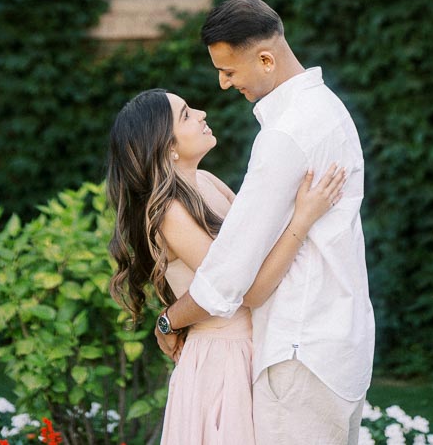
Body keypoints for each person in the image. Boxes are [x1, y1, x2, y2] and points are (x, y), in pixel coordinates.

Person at [154, 0, 375, 445]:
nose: (221, 85)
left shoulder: (285, 134)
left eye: (229, 71)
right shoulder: (329, 109)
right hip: (340, 343)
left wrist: (168, 320)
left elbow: (230, 277)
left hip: (300, 352)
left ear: (267, 59)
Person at [107, 86, 346, 445]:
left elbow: (259, 248)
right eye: (186, 114)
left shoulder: (205, 181)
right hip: (222, 361)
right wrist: (304, 218)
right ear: (167, 146)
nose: (201, 113)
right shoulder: (169, 213)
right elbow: (246, 290)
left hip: (254, 345)